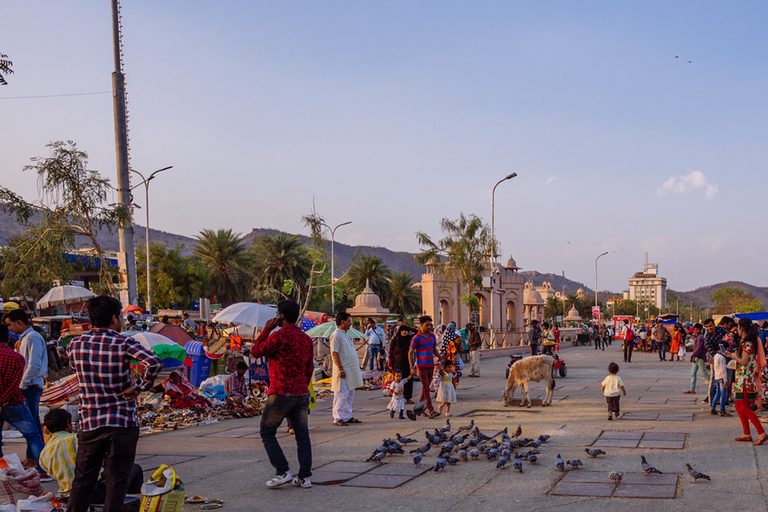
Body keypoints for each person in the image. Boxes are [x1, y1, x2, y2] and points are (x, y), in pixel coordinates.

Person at [66, 295, 162, 512]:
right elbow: (154, 362)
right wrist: (138, 387)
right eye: (121, 316)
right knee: (116, 482)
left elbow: (75, 369)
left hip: (90, 422)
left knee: (82, 480)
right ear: (114, 319)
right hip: (121, 422)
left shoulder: (76, 344)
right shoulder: (124, 342)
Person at [251, 299, 315, 489]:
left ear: (281, 316)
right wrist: (302, 385)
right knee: (302, 436)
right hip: (301, 392)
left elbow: (256, 352)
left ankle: (283, 471)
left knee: (267, 432)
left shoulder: (279, 336)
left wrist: (266, 330)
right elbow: (309, 368)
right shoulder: (305, 339)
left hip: (280, 392)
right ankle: (305, 477)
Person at [39, 409, 144, 502]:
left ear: (47, 429)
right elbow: (104, 462)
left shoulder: (44, 453)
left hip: (68, 496)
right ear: (68, 424)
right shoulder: (76, 439)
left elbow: (55, 475)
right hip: (94, 493)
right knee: (134, 468)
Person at [4, 308, 47, 468]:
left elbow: (33, 364)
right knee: (33, 424)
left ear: (19, 322)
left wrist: (21, 385)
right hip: (28, 385)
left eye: (10, 325)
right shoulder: (26, 338)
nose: (9, 329)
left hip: (30, 386)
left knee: (33, 426)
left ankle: (39, 462)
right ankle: (32, 458)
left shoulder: (33, 337)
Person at [726, 318, 768, 445]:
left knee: (744, 406)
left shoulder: (747, 344)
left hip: (745, 380)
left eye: (738, 328)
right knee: (739, 406)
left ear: (742, 328)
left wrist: (733, 356)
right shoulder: (748, 342)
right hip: (742, 379)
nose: (737, 330)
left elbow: (744, 362)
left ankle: (762, 433)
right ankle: (746, 433)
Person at [330, 312, 364, 427]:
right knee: (341, 394)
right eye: (349, 321)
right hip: (343, 370)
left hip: (351, 370)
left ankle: (347, 416)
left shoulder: (345, 334)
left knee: (350, 393)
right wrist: (340, 369)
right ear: (342, 322)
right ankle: (337, 417)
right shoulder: (336, 335)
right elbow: (335, 353)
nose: (350, 323)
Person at [408, 315, 442, 419]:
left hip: (430, 365)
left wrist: (441, 358)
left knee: (425, 388)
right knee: (426, 387)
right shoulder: (416, 338)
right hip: (421, 366)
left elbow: (434, 350)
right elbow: (410, 353)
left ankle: (418, 409)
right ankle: (431, 410)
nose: (429, 327)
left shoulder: (432, 336)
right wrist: (411, 368)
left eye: (430, 325)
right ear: (421, 325)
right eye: (427, 325)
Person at [388, 325, 415, 403]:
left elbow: (418, 332)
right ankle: (397, 396)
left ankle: (408, 398)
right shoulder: (396, 339)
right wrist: (390, 363)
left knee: (408, 380)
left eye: (406, 330)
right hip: (397, 363)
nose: (404, 332)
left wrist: (410, 327)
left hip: (408, 362)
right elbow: (391, 351)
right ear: (399, 331)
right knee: (398, 379)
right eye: (403, 330)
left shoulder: (410, 339)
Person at [686, 323, 710, 395]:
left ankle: (714, 383)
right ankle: (692, 389)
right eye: (695, 329)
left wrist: (692, 355)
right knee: (693, 373)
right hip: (696, 357)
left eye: (697, 329)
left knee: (704, 373)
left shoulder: (700, 337)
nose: (695, 331)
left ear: (700, 329)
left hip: (700, 357)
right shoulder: (697, 336)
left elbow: (698, 348)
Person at [709, 347, 730, 417]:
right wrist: (725, 380)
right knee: (723, 394)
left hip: (717, 376)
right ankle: (722, 410)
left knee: (718, 393)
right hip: (721, 377)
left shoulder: (716, 356)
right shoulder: (721, 358)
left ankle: (713, 408)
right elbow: (723, 369)